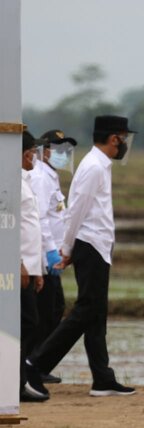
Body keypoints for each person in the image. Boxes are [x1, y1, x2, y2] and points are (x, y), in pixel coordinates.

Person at [27, 115, 137, 397]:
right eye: (123, 138)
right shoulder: (93, 167)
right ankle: (35, 363)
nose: (124, 144)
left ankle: (102, 378)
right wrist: (67, 249)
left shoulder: (100, 165)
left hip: (96, 245)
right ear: (114, 138)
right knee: (86, 310)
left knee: (96, 315)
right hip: (90, 245)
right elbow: (76, 211)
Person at [28, 129, 77, 384]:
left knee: (54, 308)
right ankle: (33, 363)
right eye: (59, 150)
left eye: (67, 150)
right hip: (42, 256)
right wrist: (49, 251)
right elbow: (40, 218)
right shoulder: (40, 177)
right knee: (46, 312)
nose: (64, 155)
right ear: (44, 151)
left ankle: (37, 363)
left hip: (53, 254)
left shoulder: (51, 176)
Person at [19, 130, 47, 402]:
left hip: (29, 267)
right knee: (26, 322)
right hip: (16, 269)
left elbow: (32, 228)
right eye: (30, 152)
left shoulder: (25, 180)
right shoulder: (10, 182)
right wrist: (18, 264)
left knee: (28, 322)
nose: (34, 158)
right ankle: (15, 381)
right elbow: (8, 226)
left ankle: (18, 381)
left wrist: (37, 268)